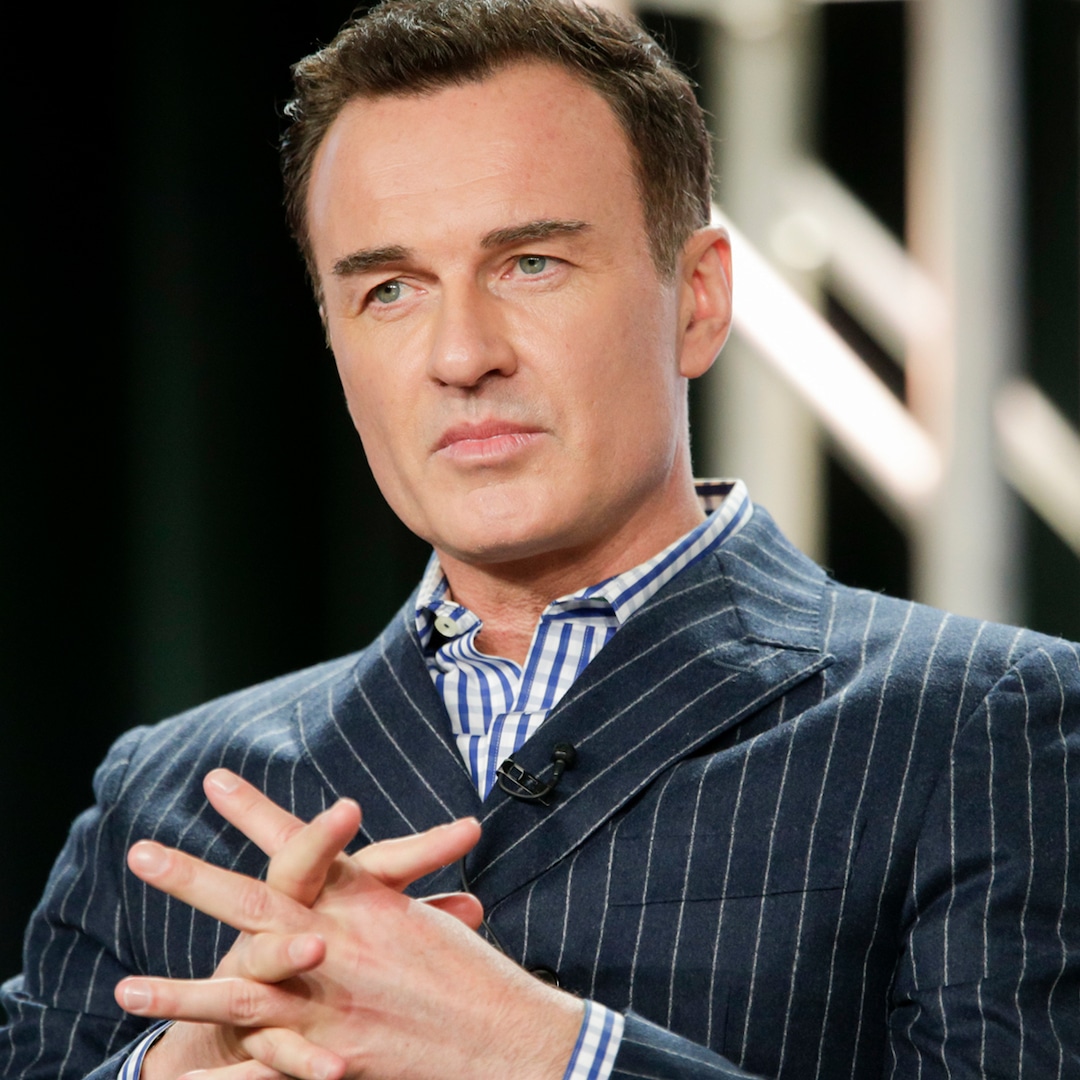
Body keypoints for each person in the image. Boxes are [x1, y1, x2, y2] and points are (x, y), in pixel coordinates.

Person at [2, 1, 1077, 1077]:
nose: (461, 355)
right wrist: (182, 1060)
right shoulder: (165, 798)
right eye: (390, 289)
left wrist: (546, 1051)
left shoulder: (985, 725)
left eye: (530, 264)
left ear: (699, 299)